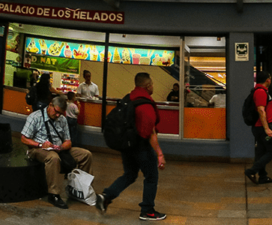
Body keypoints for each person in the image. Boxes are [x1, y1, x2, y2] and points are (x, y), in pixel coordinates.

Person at [95, 72, 166, 221]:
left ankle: (106, 196)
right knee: (151, 177)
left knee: (130, 174)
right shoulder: (145, 105)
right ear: (148, 86)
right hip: (141, 146)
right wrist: (159, 153)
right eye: (152, 84)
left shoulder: (130, 98)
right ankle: (147, 211)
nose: (153, 86)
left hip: (127, 145)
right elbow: (150, 132)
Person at [21, 95, 94, 209]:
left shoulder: (62, 119)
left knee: (86, 155)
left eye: (61, 113)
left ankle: (81, 188)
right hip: (38, 149)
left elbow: (68, 142)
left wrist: (60, 147)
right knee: (53, 158)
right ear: (50, 105)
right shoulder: (35, 117)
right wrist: (40, 145)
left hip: (58, 148)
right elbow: (24, 138)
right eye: (56, 112)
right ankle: (53, 194)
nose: (58, 115)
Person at [244, 71, 272, 185]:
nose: (270, 80)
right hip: (262, 127)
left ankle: (263, 177)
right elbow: (261, 110)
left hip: (260, 127)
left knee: (261, 151)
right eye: (269, 78)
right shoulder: (260, 92)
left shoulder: (261, 91)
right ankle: (252, 171)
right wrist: (267, 129)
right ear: (267, 80)